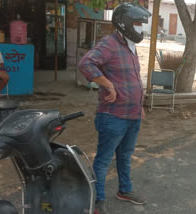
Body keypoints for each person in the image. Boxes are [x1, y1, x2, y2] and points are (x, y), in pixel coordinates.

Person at [78, 3, 151, 214]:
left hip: (132, 114)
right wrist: (108, 84)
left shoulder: (131, 46)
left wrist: (141, 105)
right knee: (103, 160)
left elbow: (134, 78)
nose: (140, 28)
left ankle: (124, 190)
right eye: (137, 23)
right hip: (113, 116)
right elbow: (86, 64)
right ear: (124, 23)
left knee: (125, 155)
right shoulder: (109, 43)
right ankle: (97, 199)